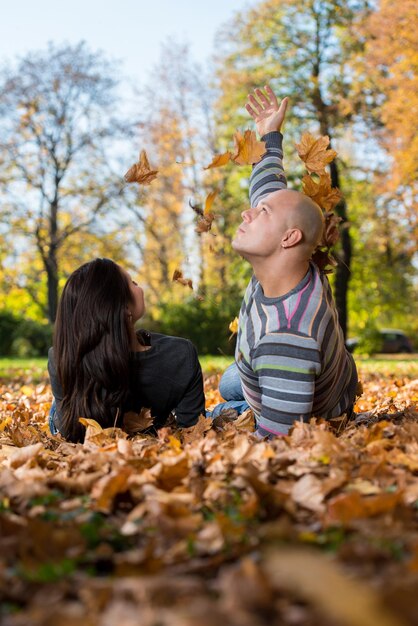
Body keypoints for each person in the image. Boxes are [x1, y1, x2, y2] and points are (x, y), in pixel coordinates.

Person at [215, 85, 358, 437]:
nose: (248, 213)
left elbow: (278, 442)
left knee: (220, 407)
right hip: (313, 372)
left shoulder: (288, 334)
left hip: (304, 396)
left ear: (288, 238)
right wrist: (270, 134)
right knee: (227, 380)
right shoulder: (292, 260)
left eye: (261, 213)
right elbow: (268, 189)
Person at [48, 258, 205, 442]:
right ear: (122, 308)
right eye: (133, 283)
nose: (139, 287)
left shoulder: (60, 356)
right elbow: (193, 431)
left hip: (73, 415)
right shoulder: (180, 354)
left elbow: (70, 434)